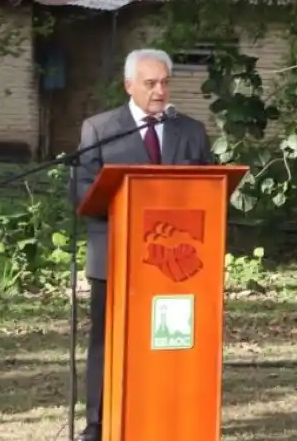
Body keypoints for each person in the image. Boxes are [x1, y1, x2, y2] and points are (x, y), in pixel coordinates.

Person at [71, 48, 212, 441]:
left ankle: (171, 415)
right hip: (115, 255)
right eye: (150, 83)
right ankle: (97, 424)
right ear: (129, 85)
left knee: (169, 337)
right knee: (106, 339)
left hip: (177, 265)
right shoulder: (100, 129)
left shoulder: (191, 131)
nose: (160, 91)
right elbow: (83, 195)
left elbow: (208, 192)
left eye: (165, 82)